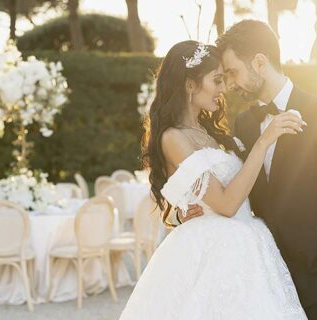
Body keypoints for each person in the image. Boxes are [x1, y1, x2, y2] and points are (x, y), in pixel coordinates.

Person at [180, 20, 317, 320]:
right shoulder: (245, 124)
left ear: (260, 62)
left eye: (232, 73)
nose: (229, 85)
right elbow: (237, 189)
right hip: (265, 283)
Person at [118, 40, 307, 320]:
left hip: (247, 246)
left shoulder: (210, 133)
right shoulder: (173, 138)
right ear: (190, 84)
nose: (223, 88)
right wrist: (266, 140)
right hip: (215, 253)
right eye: (217, 80)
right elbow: (226, 204)